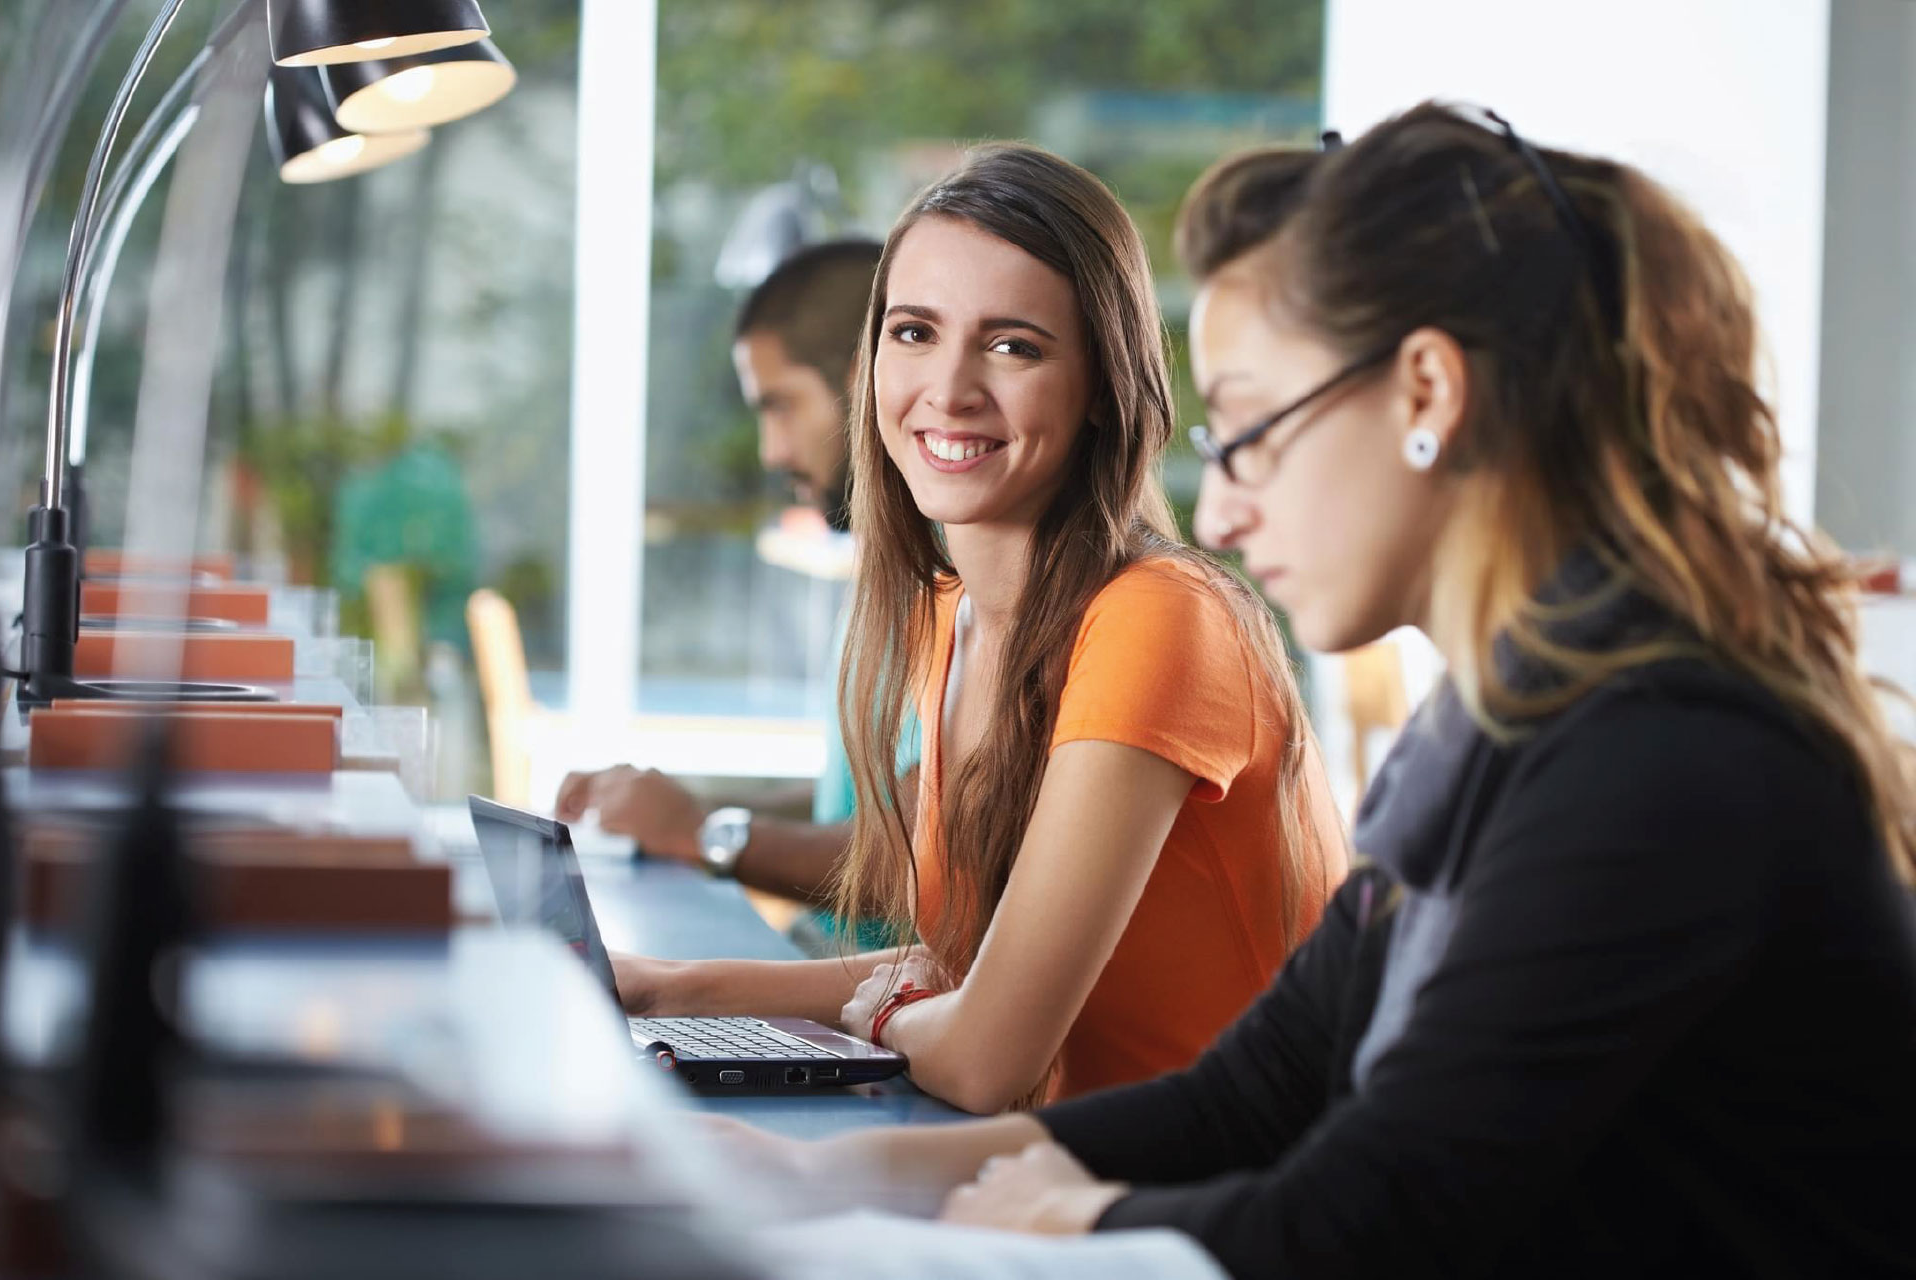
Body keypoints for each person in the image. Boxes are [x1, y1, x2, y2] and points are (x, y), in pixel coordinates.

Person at [715, 106, 1916, 1276]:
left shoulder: (1661, 757)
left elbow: (1381, 1216)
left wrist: (1072, 1220)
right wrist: (811, 1178)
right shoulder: (1497, 722)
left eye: (1251, 427)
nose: (1225, 508)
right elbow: (1253, 1093)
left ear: (1429, 397)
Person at [611, 142, 1348, 1114]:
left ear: (1103, 387)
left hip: (1211, 1214)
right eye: (914, 332)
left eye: (1014, 346)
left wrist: (888, 1014)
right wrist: (666, 986)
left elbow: (980, 1051)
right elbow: (962, 970)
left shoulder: (1163, 617)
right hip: (1052, 1166)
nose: (949, 388)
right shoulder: (950, 619)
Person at [556, 242, 917, 932]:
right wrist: (685, 809)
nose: (770, 451)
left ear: (864, 382)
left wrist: (703, 832)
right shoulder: (886, 569)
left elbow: (908, 856)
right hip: (835, 975)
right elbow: (847, 809)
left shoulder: (953, 575)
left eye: (781, 406)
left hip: (878, 1013)